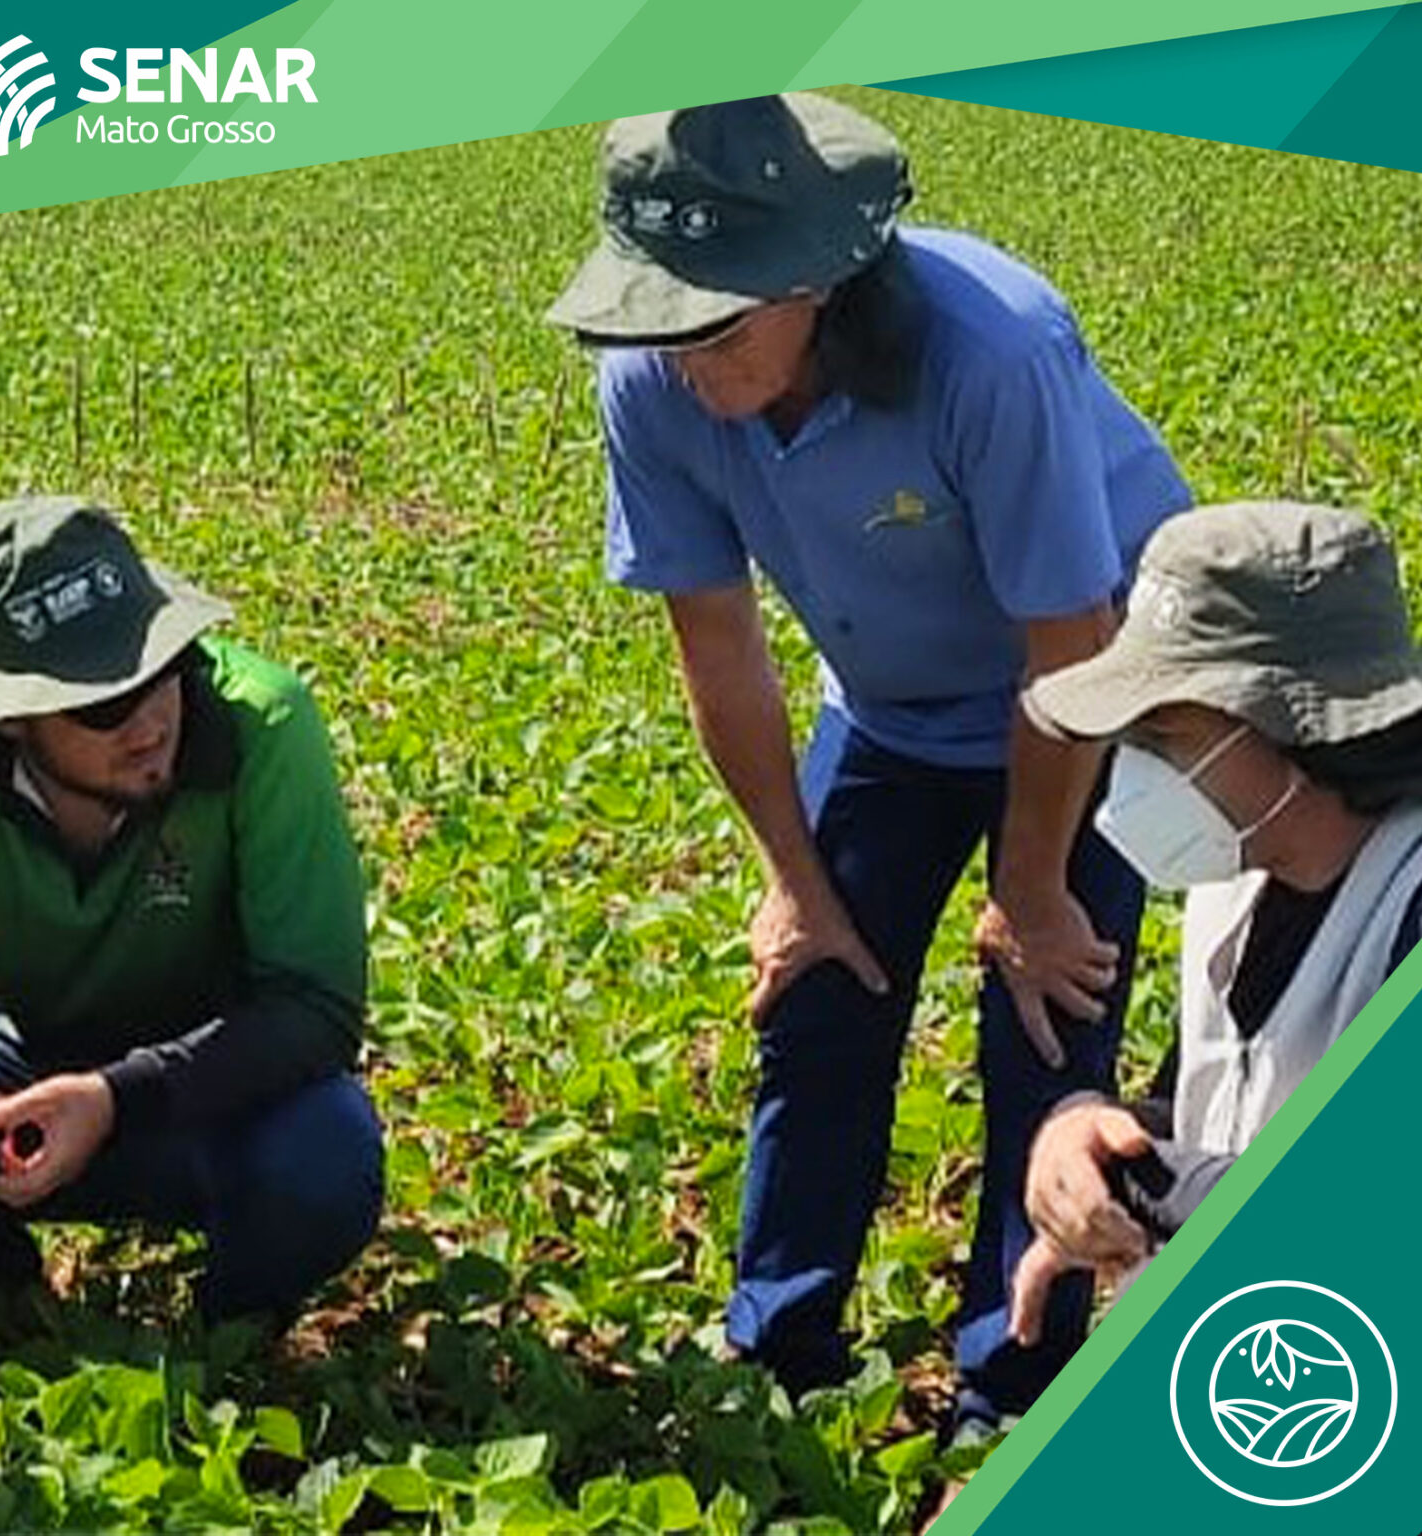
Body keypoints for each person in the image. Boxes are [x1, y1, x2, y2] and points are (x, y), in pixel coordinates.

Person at [548, 92, 1192, 1430]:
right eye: (656, 323)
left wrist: (1031, 886)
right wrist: (793, 879)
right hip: (894, 708)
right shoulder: (652, 379)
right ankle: (776, 1354)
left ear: (818, 284)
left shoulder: (989, 351)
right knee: (819, 996)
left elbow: (1069, 639)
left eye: (718, 328)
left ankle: (1012, 1390)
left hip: (1087, 696)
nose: (684, 362)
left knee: (1048, 1026)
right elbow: (717, 640)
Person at [0, 495, 382, 1323]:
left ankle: (223, 1340)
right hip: (27, 1060)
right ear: (12, 716)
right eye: (104, 703)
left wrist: (114, 1098)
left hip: (222, 1090)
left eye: (164, 666)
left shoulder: (262, 721)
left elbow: (317, 1009)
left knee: (326, 1159)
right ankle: (0, 1293)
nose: (151, 720)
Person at [1008, 500, 1422, 1343]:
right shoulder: (1236, 878)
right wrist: (1085, 1134)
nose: (1132, 768)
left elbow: (1366, 1209)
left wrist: (1134, 1184)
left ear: (1292, 722)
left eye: (1163, 733)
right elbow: (1200, 1101)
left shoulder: (1406, 906)